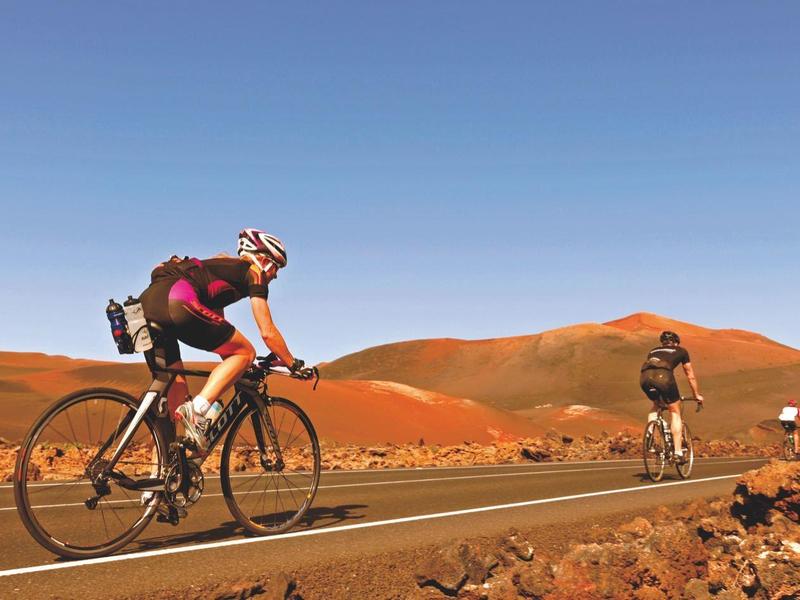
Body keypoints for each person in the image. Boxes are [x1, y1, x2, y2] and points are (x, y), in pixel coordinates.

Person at [140, 228, 306, 451]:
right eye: (276, 266)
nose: (275, 275)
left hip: (146, 305)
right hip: (177, 299)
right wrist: (292, 363)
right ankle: (198, 410)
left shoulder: (213, 278)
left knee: (175, 393)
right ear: (264, 260)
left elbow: (221, 336)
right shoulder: (253, 272)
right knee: (246, 352)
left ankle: (165, 471)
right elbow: (267, 331)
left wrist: (239, 367)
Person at [639, 331, 704, 463]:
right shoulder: (681, 351)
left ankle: (650, 433)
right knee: (675, 411)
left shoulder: (653, 350)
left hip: (644, 378)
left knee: (657, 404)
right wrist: (696, 395)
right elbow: (690, 375)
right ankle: (678, 453)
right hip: (664, 377)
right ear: (676, 342)